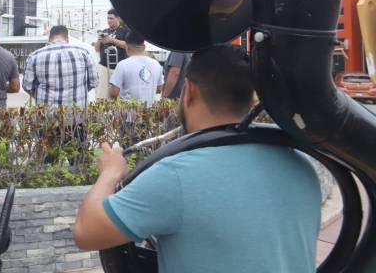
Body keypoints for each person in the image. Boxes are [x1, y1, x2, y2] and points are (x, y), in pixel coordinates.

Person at [74, 45, 321, 273]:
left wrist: (109, 173)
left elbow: (87, 232)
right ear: (252, 98)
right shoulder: (300, 166)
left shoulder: (176, 177)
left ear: (189, 90)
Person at [22, 25, 98, 107]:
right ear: (67, 38)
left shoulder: (34, 56)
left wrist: (41, 95)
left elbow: (27, 86)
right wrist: (79, 91)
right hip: (77, 112)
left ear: (49, 38)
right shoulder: (83, 53)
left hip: (46, 114)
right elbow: (94, 81)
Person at [108, 31, 164, 106]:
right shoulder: (156, 64)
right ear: (144, 47)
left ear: (127, 47)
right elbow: (159, 89)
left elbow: (113, 93)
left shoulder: (123, 65)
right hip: (150, 111)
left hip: (129, 113)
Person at [95, 9, 130, 99]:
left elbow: (128, 46)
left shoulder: (125, 31)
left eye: (111, 18)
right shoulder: (105, 31)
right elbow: (97, 49)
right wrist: (99, 39)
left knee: (117, 95)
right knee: (102, 95)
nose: (109, 21)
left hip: (118, 67)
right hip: (104, 66)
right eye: (108, 18)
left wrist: (112, 40)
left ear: (118, 18)